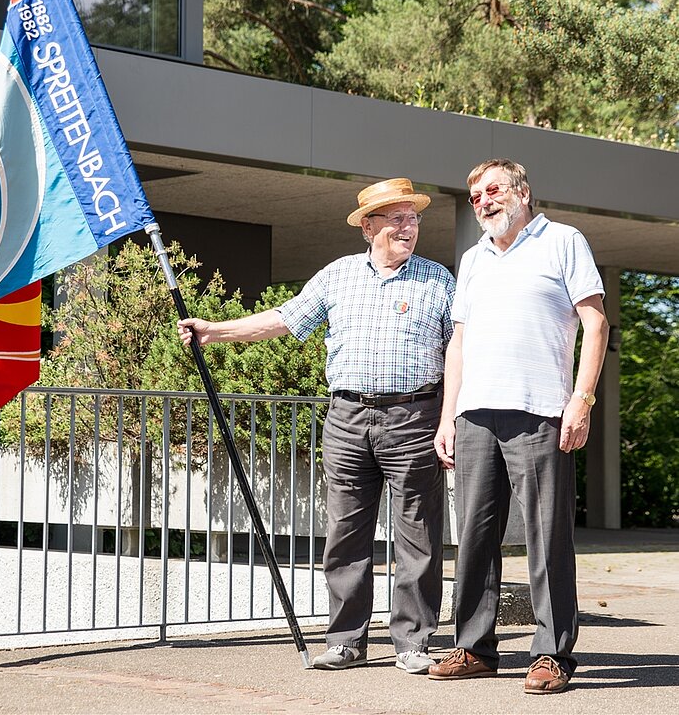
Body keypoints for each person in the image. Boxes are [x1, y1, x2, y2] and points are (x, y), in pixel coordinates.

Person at [177, 178, 455, 673]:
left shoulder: (438, 280)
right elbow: (285, 319)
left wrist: (451, 415)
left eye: (412, 218)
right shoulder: (338, 276)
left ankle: (413, 643)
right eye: (395, 218)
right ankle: (345, 641)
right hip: (346, 417)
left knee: (419, 534)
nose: (407, 227)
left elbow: (460, 348)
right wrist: (213, 331)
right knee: (345, 533)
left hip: (414, 415)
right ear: (368, 227)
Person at [429, 158, 609, 694]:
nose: (483, 200)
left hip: (541, 411)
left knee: (546, 535)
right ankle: (474, 648)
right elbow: (458, 342)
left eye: (493, 189)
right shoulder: (473, 259)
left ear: (522, 192)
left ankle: (552, 653)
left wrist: (582, 399)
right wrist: (448, 415)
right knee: (475, 537)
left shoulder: (563, 241)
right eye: (476, 195)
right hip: (477, 413)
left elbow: (596, 322)